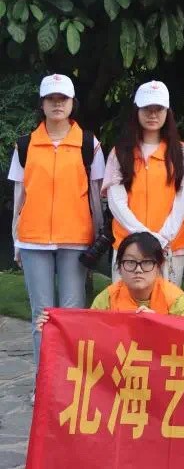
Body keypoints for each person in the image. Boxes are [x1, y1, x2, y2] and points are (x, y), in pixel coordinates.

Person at [9, 74, 105, 369]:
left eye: (62, 98)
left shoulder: (89, 144)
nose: (57, 104)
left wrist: (98, 239)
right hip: (33, 239)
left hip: (75, 239)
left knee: (72, 314)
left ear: (72, 103)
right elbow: (19, 198)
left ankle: (70, 383)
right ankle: (45, 381)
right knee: (42, 314)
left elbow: (95, 198)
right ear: (42, 104)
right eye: (51, 99)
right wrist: (16, 241)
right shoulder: (25, 145)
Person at [103, 81, 184, 287]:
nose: (153, 114)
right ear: (137, 111)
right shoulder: (120, 152)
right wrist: (143, 235)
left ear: (167, 112)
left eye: (158, 109)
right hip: (127, 244)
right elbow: (116, 201)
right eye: (147, 109)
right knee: (124, 304)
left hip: (169, 244)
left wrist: (163, 237)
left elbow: (183, 199)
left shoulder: (181, 152)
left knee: (166, 303)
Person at [38, 232, 184, 326]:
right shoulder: (108, 298)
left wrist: (159, 324)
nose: (138, 269)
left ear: (159, 266)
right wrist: (54, 325)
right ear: (119, 267)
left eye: (147, 262)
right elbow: (85, 331)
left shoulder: (175, 299)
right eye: (130, 262)